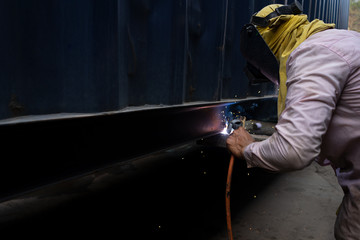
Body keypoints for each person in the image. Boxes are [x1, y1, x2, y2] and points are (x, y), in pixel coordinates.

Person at [226, 3, 360, 240]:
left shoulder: (313, 53)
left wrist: (247, 149)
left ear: (268, 49)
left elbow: (294, 151)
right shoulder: (344, 40)